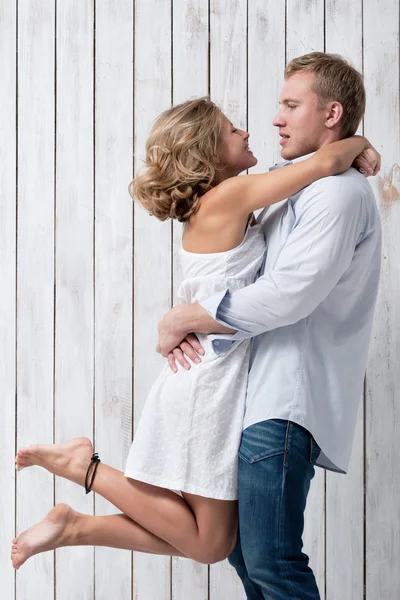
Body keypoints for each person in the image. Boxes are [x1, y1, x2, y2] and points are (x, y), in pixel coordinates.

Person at [11, 89, 378, 573]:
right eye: (232, 130)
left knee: (215, 541)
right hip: (208, 380)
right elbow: (326, 161)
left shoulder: (225, 203)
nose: (248, 132)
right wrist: (361, 142)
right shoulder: (229, 196)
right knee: (211, 544)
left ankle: (76, 522)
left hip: (211, 374)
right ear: (207, 151)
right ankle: (86, 469)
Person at [156, 53, 382, 599]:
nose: (275, 118)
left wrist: (191, 316)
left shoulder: (336, 192)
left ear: (331, 113)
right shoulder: (297, 183)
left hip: (283, 404)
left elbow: (289, 296)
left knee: (270, 562)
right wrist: (358, 144)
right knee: (248, 560)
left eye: (290, 105)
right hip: (252, 401)